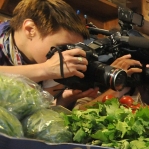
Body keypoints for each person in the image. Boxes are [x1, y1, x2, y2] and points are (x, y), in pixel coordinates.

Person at [0, 0, 141, 108]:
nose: (67, 56)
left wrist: (63, 100)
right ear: (30, 29)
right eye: (63, 47)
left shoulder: (39, 63)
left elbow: (28, 114)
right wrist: (45, 70)